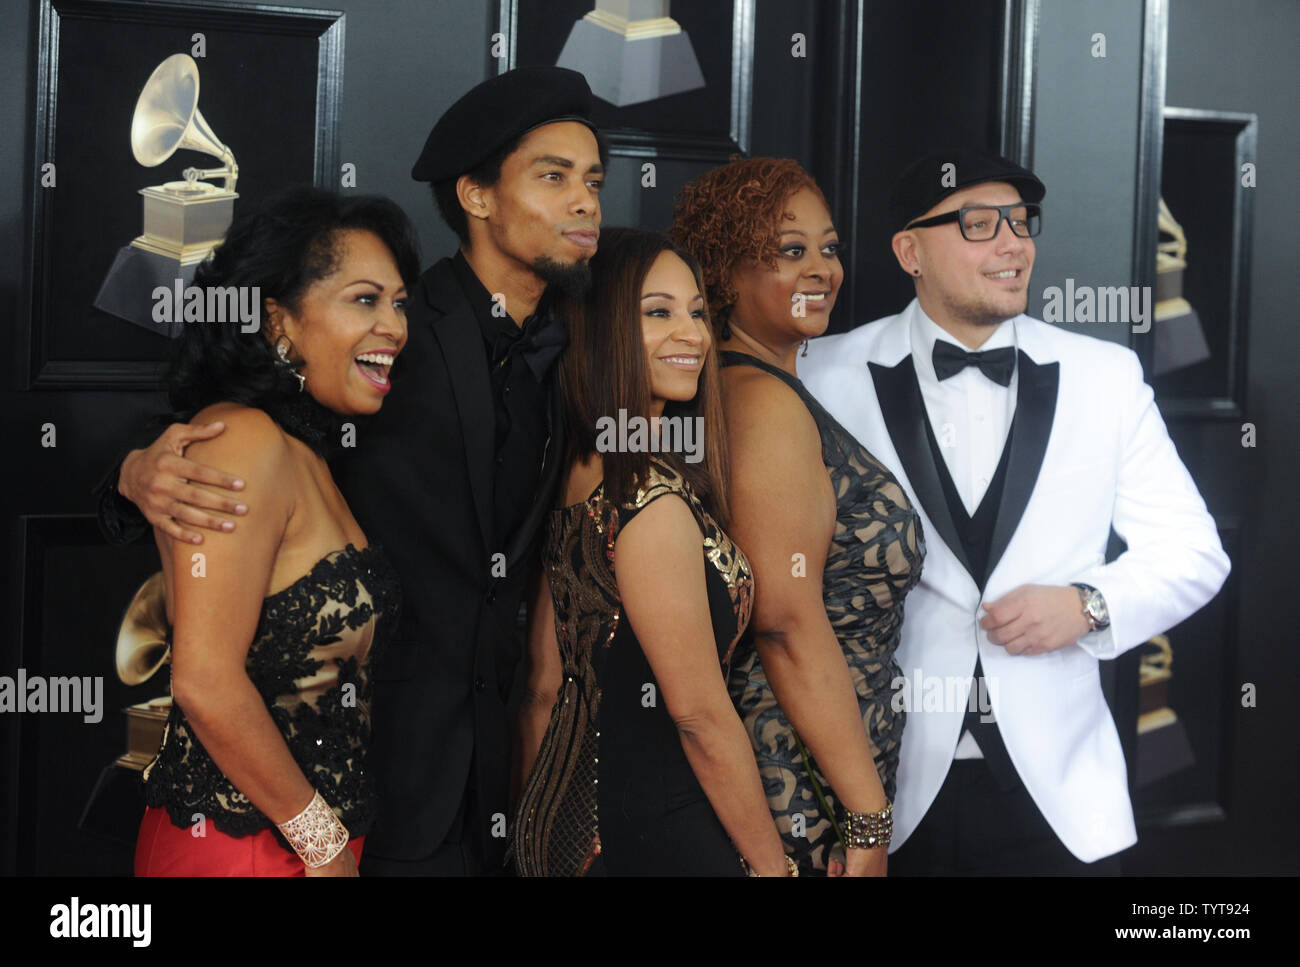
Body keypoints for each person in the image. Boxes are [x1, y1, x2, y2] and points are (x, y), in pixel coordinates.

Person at [97, 67, 608, 875]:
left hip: (496, 791)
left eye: (594, 180)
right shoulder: (373, 352)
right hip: (357, 793)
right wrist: (131, 470)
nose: (586, 201)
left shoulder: (584, 346)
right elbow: (225, 428)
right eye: (554, 176)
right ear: (476, 197)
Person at [800, 148, 1231, 874]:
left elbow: (1195, 551)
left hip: (1058, 802)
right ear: (910, 250)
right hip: (882, 797)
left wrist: (1088, 603)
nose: (1013, 244)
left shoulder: (1106, 377)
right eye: (978, 224)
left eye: (1021, 222)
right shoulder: (822, 374)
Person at [133, 185, 416, 875]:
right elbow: (203, 679)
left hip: (306, 842)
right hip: (244, 851)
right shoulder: (242, 441)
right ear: (278, 322)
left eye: (400, 302)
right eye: (364, 298)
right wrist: (323, 846)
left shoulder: (305, 448)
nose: (395, 326)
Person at [511, 228, 794, 876]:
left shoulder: (577, 467)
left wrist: (533, 836)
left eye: (697, 312)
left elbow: (544, 688)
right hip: (651, 826)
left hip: (556, 823)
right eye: (658, 311)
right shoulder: (649, 500)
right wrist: (775, 869)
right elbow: (698, 716)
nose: (691, 334)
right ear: (605, 324)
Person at [669, 158, 924, 875]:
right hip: (796, 781)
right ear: (723, 271)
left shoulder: (745, 387)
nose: (821, 269)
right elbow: (782, 620)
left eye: (829, 247)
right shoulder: (762, 404)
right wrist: (867, 818)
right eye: (789, 250)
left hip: (813, 770)